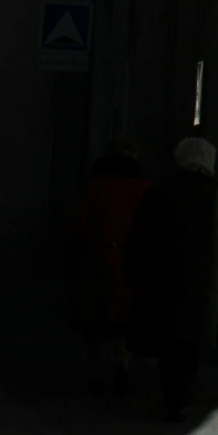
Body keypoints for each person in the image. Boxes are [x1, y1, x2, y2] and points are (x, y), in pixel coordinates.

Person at [126, 134, 218, 418]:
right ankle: (183, 395)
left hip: (164, 274)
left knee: (168, 336)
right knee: (190, 339)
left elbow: (140, 234)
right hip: (202, 277)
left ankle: (170, 395)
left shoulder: (159, 192)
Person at [68, 139, 150, 391]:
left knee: (94, 319)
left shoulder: (92, 184)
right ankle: (122, 364)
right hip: (128, 258)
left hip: (94, 257)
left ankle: (94, 370)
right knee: (124, 319)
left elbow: (78, 223)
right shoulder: (142, 186)